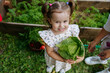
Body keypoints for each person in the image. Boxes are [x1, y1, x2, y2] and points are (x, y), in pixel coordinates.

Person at [38, 0, 84, 73]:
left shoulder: (72, 30)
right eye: (57, 22)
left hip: (67, 56)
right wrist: (63, 60)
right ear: (50, 21)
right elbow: (50, 52)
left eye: (65, 21)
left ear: (69, 19)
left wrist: (81, 56)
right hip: (55, 57)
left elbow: (79, 44)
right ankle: (50, 66)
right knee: (51, 62)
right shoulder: (49, 35)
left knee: (64, 65)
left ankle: (63, 69)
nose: (61, 26)